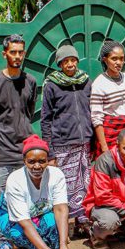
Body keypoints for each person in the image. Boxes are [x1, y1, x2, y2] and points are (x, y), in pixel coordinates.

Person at [0, 34, 38, 249]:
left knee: (28, 197)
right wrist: (1, 133)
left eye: (20, 52)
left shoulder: (30, 81)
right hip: (2, 153)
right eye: (13, 52)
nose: (17, 56)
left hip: (25, 151)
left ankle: (28, 239)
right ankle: (3, 240)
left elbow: (29, 112)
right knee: (2, 199)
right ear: (4, 54)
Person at [0, 135, 73, 249]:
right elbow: (24, 221)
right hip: (12, 218)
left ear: (48, 161)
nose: (37, 166)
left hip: (40, 212)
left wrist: (63, 243)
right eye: (31, 161)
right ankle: (16, 247)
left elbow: (60, 209)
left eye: (42, 161)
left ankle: (45, 247)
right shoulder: (15, 180)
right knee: (19, 235)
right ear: (24, 161)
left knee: (55, 228)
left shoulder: (56, 175)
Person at [41, 45, 93, 237]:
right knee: (65, 186)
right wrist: (50, 152)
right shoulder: (52, 84)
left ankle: (83, 221)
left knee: (85, 184)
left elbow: (91, 110)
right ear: (60, 64)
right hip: (63, 144)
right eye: (65, 61)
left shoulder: (85, 81)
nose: (70, 64)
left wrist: (93, 140)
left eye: (73, 60)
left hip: (84, 143)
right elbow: (45, 119)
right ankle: (64, 225)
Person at [90, 40, 125, 157]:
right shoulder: (99, 84)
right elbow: (97, 118)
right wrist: (104, 147)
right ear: (105, 59)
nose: (118, 62)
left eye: (121, 59)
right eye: (114, 59)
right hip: (110, 135)